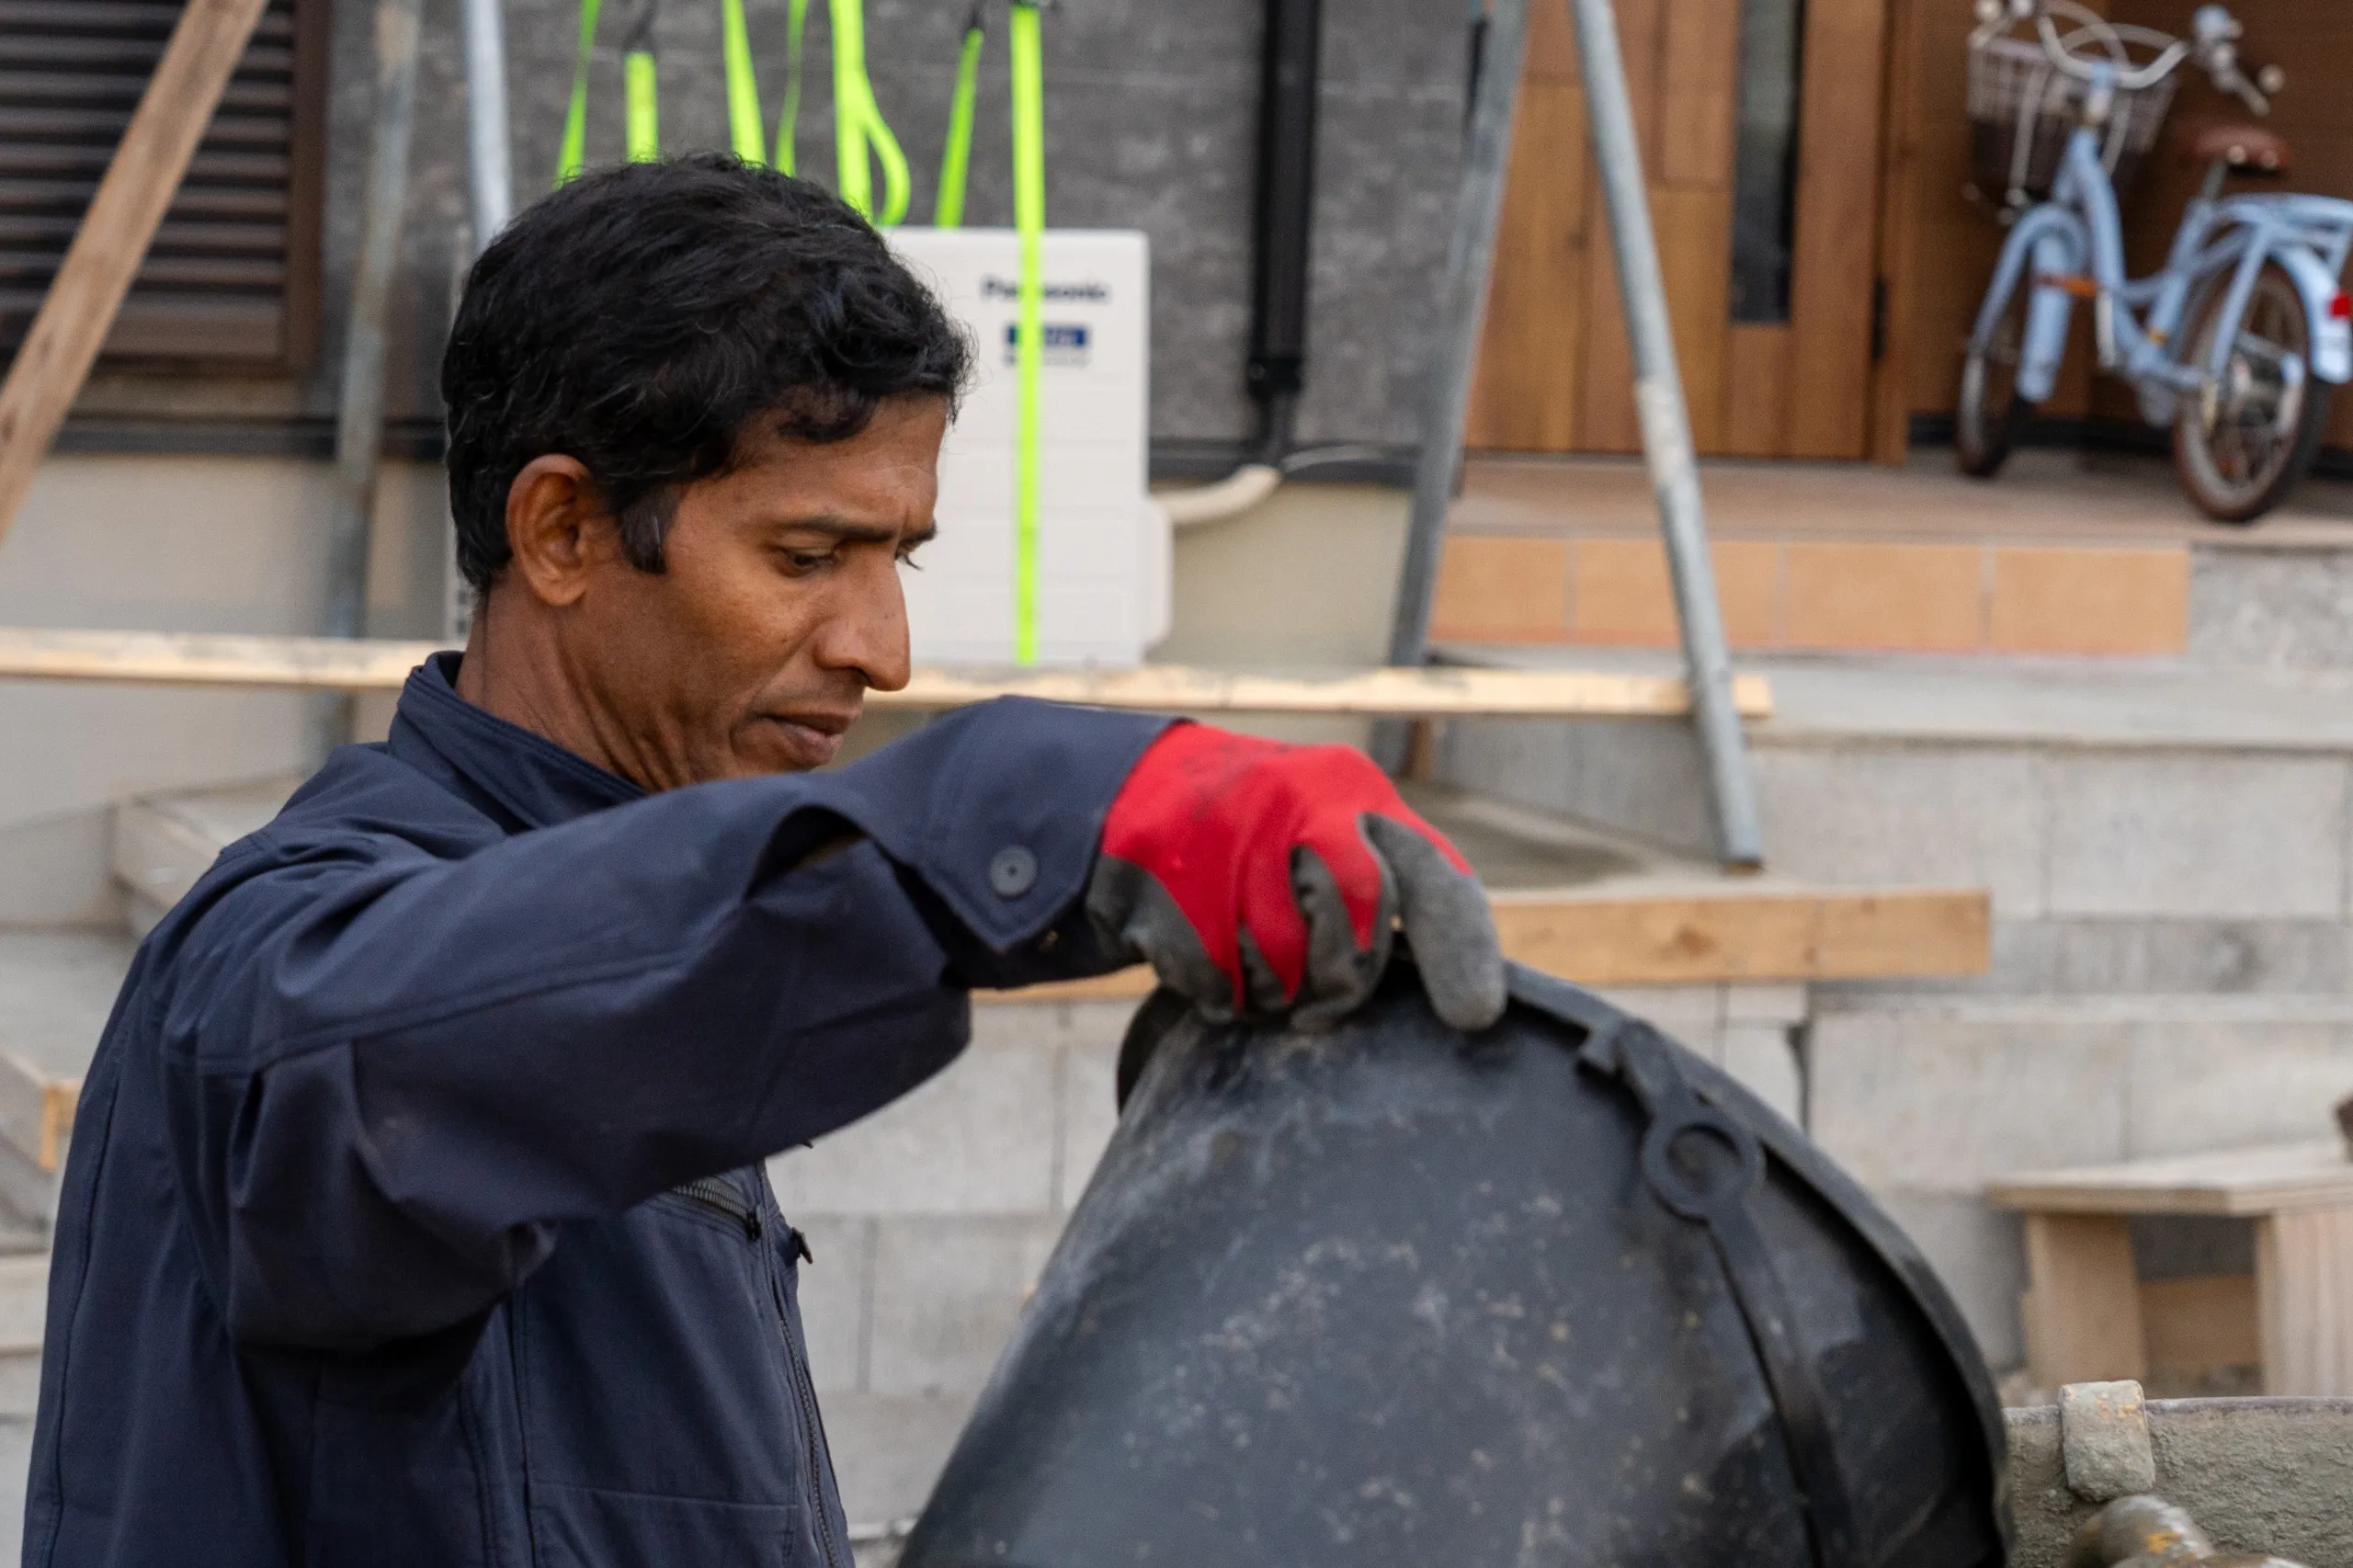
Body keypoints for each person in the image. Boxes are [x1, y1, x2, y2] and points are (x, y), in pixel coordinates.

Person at [20, 154, 1504, 1568]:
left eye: (896, 561)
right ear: (561, 529)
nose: (885, 651)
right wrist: (1046, 807)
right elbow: (398, 1048)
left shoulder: (663, 907)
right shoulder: (281, 961)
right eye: (807, 558)